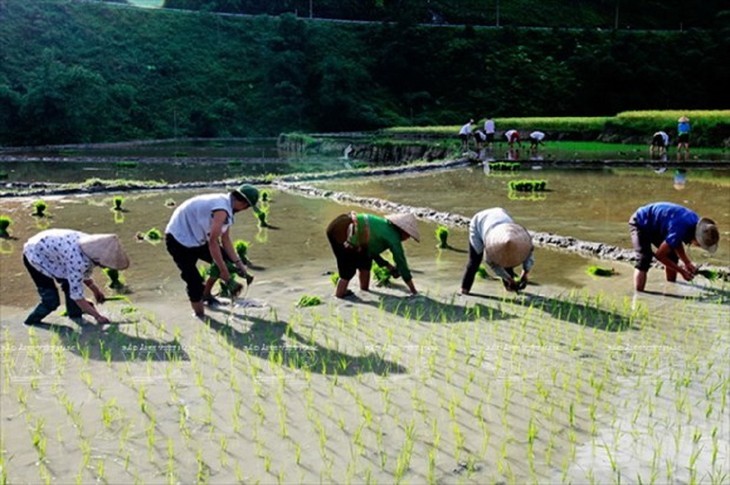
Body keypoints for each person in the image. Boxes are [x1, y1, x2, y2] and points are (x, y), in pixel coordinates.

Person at [165, 184, 259, 319]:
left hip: (198, 238)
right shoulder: (221, 209)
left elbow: (225, 240)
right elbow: (213, 242)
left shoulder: (227, 207)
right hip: (179, 240)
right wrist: (224, 270)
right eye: (247, 207)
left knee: (226, 260)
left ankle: (207, 294)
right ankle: (200, 316)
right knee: (194, 281)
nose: (245, 210)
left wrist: (238, 264)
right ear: (243, 203)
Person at [23, 229, 130, 326]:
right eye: (106, 262)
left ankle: (74, 314)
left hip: (52, 250)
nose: (105, 266)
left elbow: (81, 273)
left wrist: (95, 290)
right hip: (35, 255)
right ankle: (30, 323)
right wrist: (98, 316)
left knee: (70, 284)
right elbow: (77, 296)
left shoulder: (92, 245)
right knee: (51, 301)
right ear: (98, 259)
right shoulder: (78, 261)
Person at [629, 202, 719, 292]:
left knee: (672, 256)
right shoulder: (681, 228)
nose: (699, 247)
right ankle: (639, 295)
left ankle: (670, 286)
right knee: (644, 258)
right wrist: (682, 272)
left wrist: (687, 263)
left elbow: (676, 241)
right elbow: (659, 255)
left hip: (658, 226)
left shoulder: (695, 225)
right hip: (641, 221)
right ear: (697, 238)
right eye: (700, 245)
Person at [327, 212, 420, 298]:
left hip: (344, 226)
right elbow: (401, 263)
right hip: (343, 230)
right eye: (408, 235)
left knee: (365, 262)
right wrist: (413, 290)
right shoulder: (394, 239)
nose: (407, 238)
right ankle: (339, 297)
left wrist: (387, 265)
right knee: (347, 271)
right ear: (402, 230)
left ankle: (364, 291)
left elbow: (371, 252)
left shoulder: (384, 226)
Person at [461, 208, 534, 294]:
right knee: (474, 261)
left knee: (509, 259)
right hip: (479, 223)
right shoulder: (491, 249)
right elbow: (494, 266)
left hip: (500, 216)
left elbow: (528, 254)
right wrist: (509, 279)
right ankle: (465, 289)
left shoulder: (521, 239)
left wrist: (525, 273)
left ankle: (510, 288)